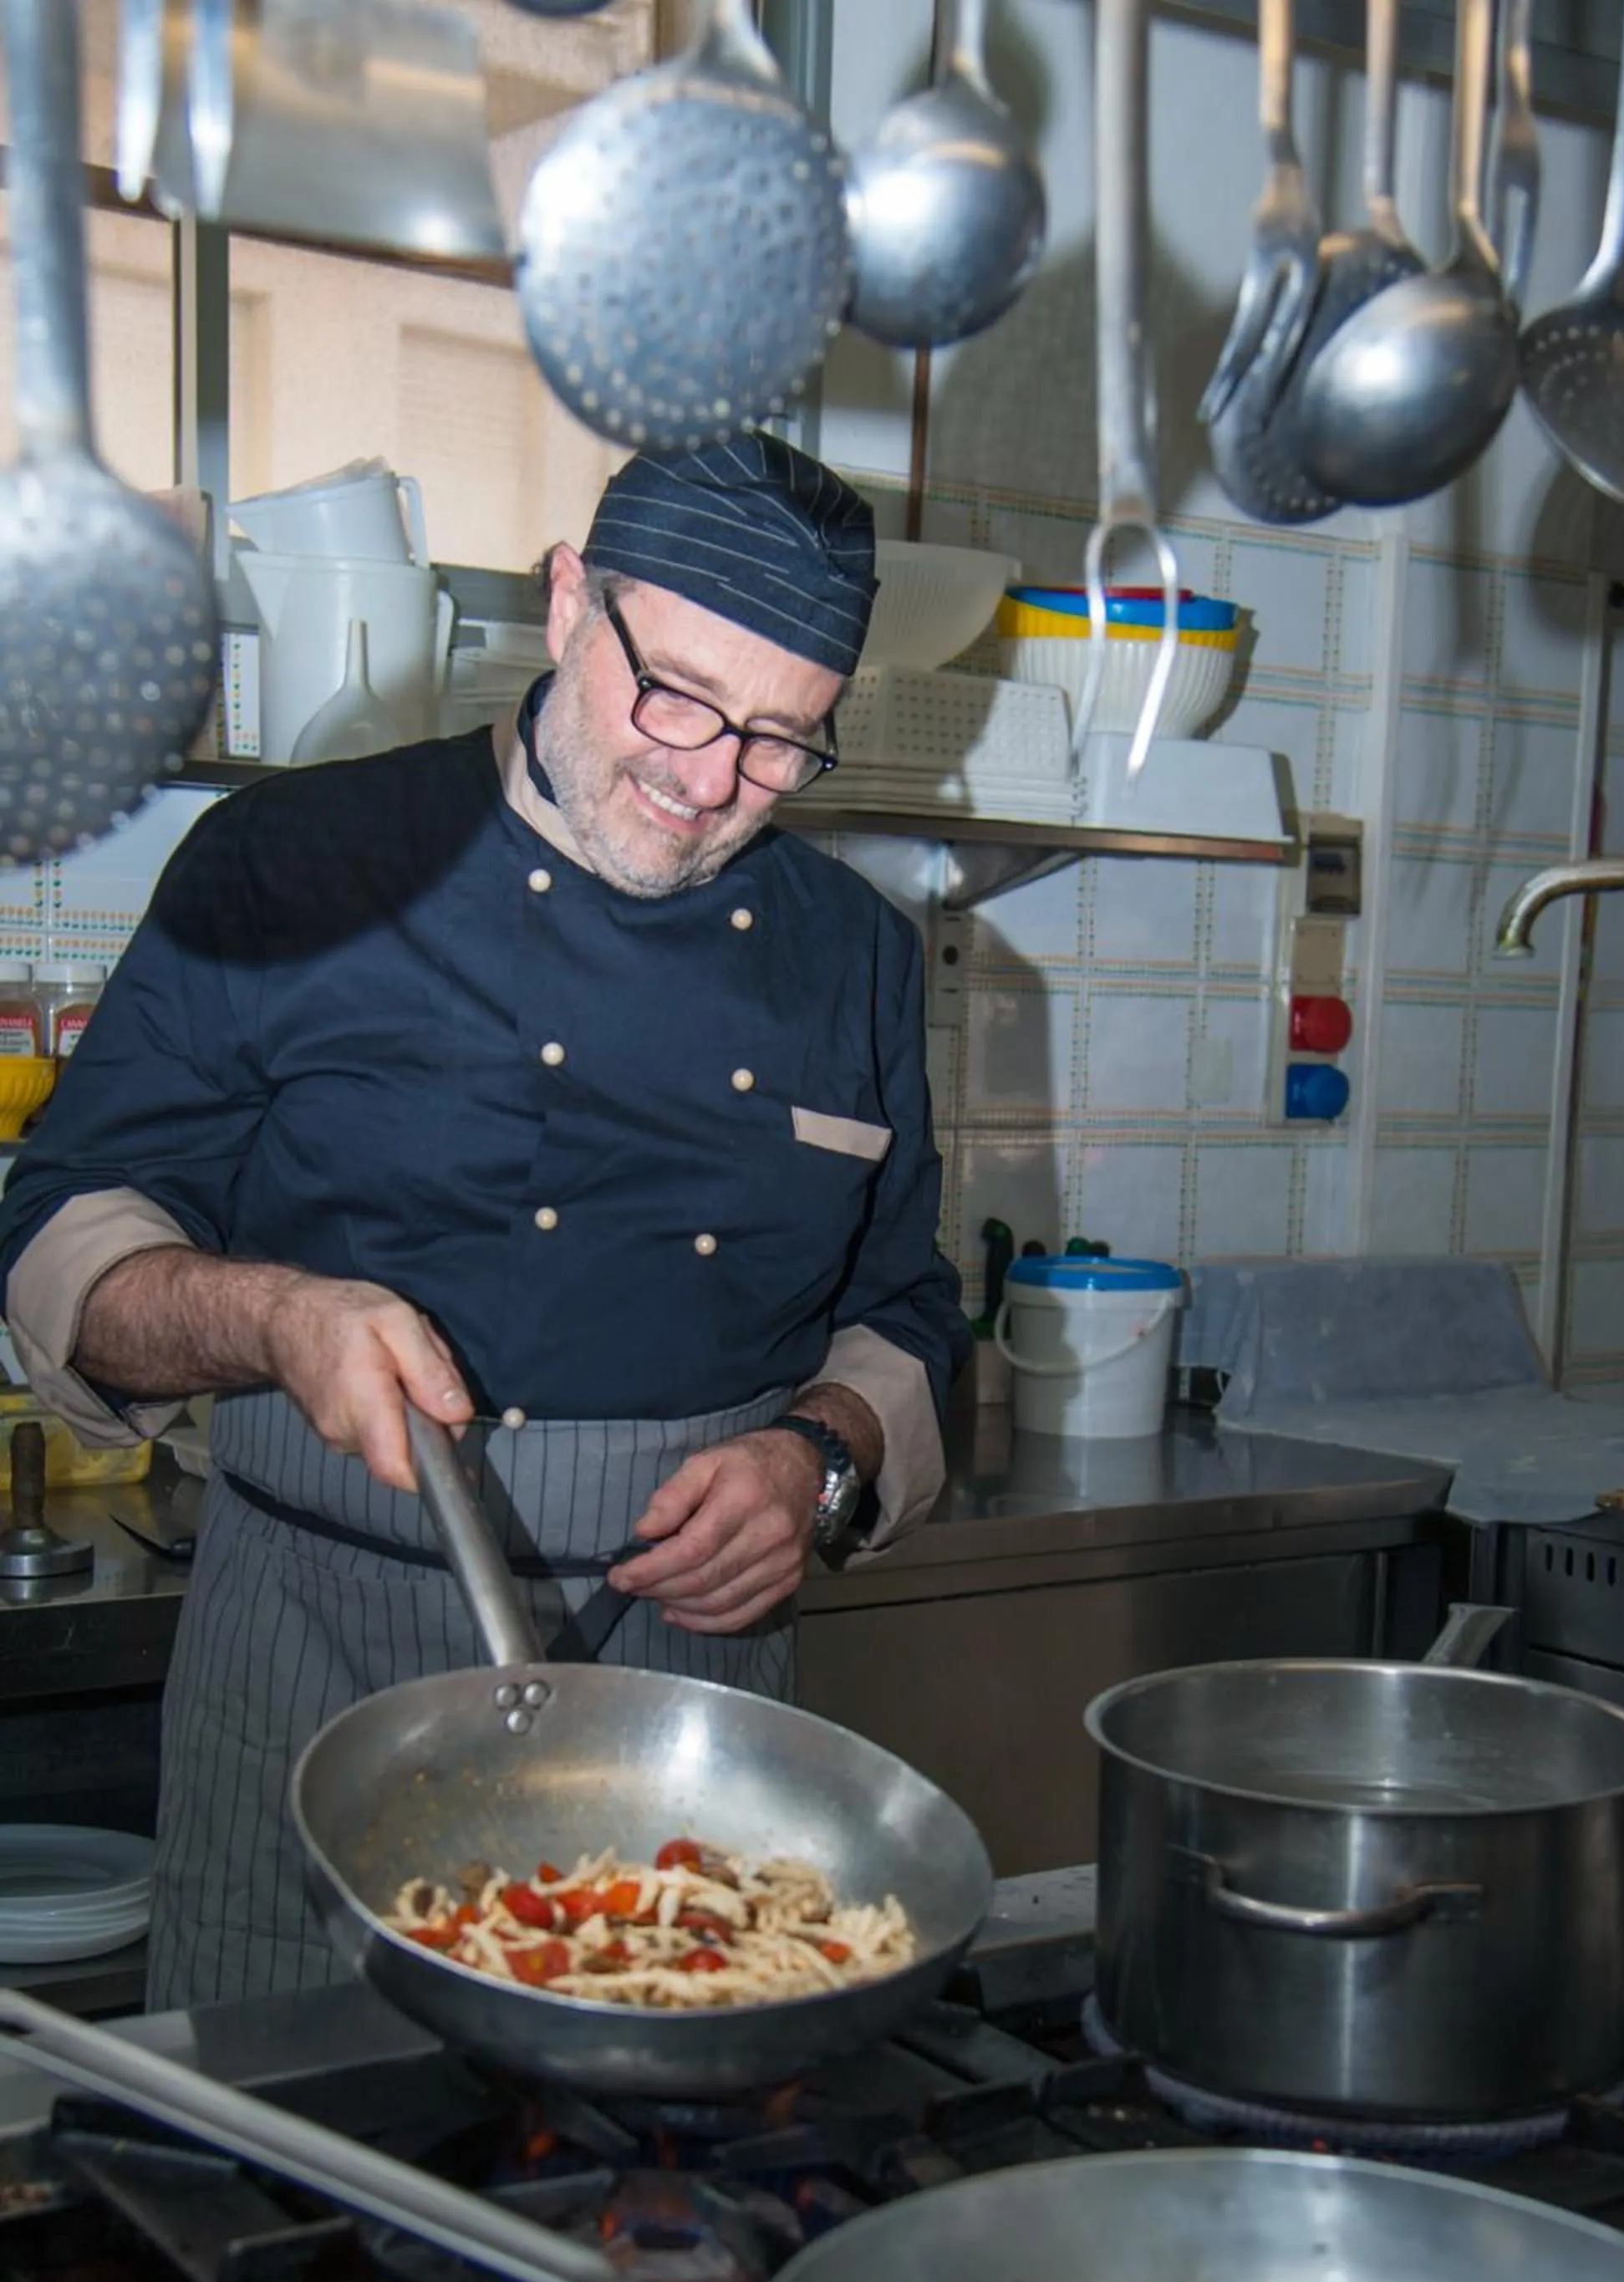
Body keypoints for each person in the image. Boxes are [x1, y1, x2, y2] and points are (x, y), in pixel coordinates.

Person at [0, 434, 970, 2009]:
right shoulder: (288, 865)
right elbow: (57, 1235)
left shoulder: (852, 955)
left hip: (683, 1681)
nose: (712, 779)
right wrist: (272, 1317)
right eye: (678, 698)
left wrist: (825, 1463)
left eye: (784, 742)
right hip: (314, 1642)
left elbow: (908, 1306)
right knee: (286, 2169)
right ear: (570, 600)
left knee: (657, 2171)